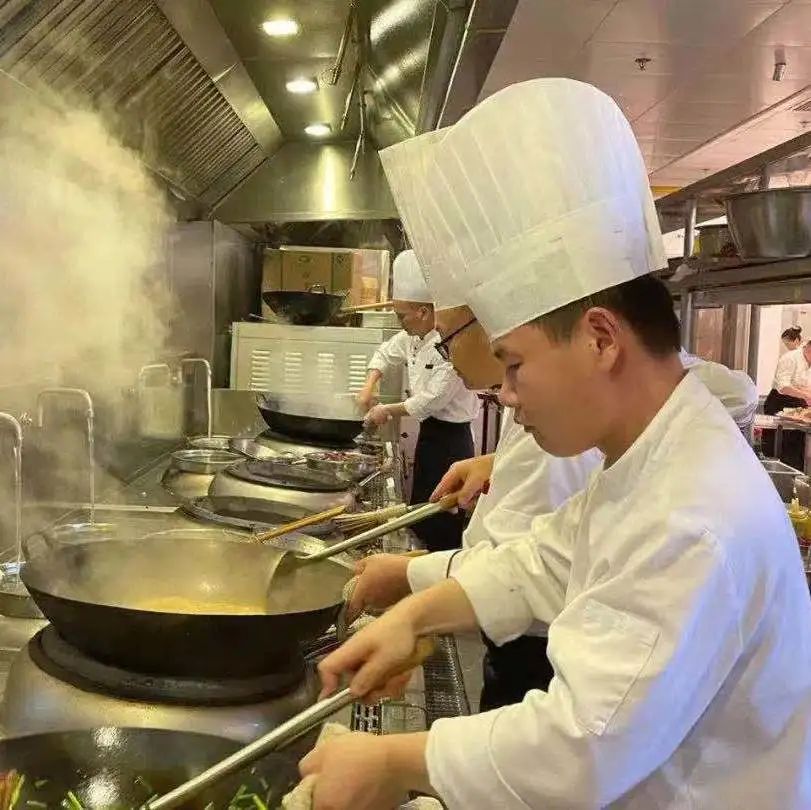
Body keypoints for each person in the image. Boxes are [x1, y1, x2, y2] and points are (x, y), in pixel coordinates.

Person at [299, 79, 811, 810]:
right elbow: (546, 560)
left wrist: (391, 762)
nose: (505, 395)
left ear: (600, 338)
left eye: (513, 364)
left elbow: (583, 750)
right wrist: (415, 614)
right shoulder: (651, 455)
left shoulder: (693, 512)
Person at [357, 250, 479, 552]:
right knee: (423, 510)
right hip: (429, 436)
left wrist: (386, 410)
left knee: (443, 515)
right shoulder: (412, 336)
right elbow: (385, 353)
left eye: (402, 316)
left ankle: (441, 564)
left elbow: (430, 401)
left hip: (452, 441)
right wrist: (369, 385)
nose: (400, 323)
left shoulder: (449, 342)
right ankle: (419, 558)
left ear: (423, 312)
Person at [763, 330, 811, 469]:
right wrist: (806, 396)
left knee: (798, 450)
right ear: (808, 347)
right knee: (781, 451)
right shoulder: (790, 358)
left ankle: (798, 477)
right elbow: (783, 387)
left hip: (798, 406)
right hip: (779, 403)